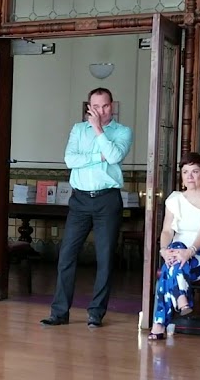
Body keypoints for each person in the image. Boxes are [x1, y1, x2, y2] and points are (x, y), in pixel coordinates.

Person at [39, 88, 133, 328]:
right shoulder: (78, 130)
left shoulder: (123, 132)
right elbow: (70, 160)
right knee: (67, 255)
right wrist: (97, 156)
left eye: (104, 106)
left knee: (105, 257)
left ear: (112, 106)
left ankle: (96, 313)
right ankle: (59, 312)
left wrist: (99, 131)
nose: (100, 111)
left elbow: (113, 156)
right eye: (95, 107)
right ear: (88, 107)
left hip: (107, 200)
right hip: (79, 200)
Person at [148, 153, 200, 340]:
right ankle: (181, 299)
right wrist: (164, 251)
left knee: (171, 267)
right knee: (174, 254)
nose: (189, 176)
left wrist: (188, 252)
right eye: (185, 172)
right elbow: (167, 231)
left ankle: (159, 323)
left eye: (195, 171)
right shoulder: (174, 199)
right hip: (176, 253)